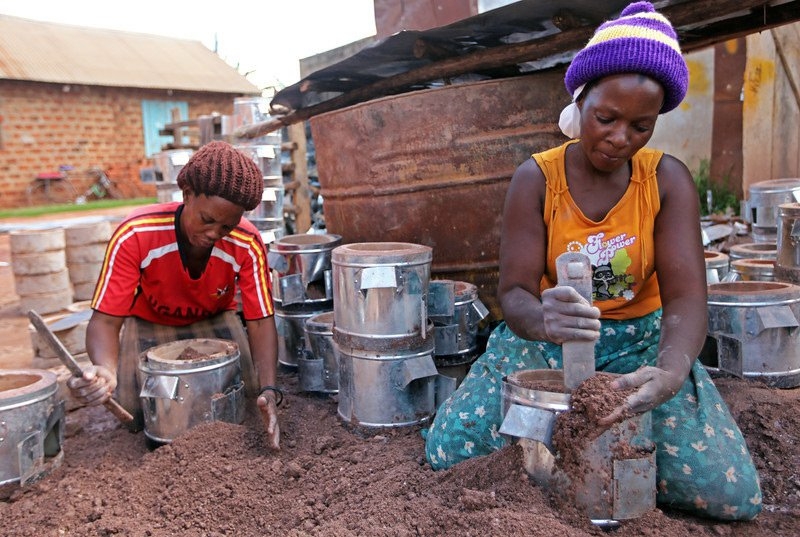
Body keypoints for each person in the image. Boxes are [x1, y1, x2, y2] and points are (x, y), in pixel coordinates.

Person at [424, 1, 762, 521]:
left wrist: (670, 373)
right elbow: (514, 293)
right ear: (580, 100)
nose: (621, 138)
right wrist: (544, 320)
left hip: (639, 347)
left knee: (727, 491)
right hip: (544, 344)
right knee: (449, 450)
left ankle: (568, 451)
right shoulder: (537, 180)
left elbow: (687, 298)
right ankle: (573, 454)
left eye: (641, 126)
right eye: (606, 118)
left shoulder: (666, 181)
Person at [67, 141, 281, 450]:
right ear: (187, 194)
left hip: (214, 320)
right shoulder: (136, 234)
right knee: (134, 411)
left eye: (227, 226)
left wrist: (269, 389)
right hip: (150, 321)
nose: (214, 233)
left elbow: (260, 321)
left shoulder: (247, 242)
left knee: (245, 395)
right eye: (207, 220)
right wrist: (106, 370)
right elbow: (106, 321)